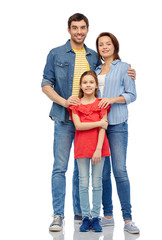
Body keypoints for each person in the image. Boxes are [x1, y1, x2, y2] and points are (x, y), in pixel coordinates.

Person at [41, 13, 136, 232]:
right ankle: (58, 215)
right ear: (69, 30)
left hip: (93, 120)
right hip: (66, 117)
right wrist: (65, 102)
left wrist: (129, 72)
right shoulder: (55, 53)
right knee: (60, 167)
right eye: (74, 28)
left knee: (82, 167)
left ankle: (82, 213)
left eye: (83, 27)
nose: (79, 31)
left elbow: (109, 74)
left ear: (87, 29)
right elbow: (46, 84)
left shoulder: (94, 56)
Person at [94, 32, 140, 234]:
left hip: (118, 123)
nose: (104, 47)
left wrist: (111, 100)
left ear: (114, 46)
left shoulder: (124, 68)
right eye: (101, 44)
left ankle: (128, 218)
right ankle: (108, 216)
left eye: (108, 43)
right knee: (103, 172)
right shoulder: (94, 70)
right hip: (98, 125)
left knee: (120, 170)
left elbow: (132, 95)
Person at [68, 70, 111, 232]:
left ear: (96, 85)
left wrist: (98, 149)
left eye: (91, 82)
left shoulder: (102, 103)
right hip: (82, 147)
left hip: (99, 148)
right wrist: (99, 122)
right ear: (80, 85)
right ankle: (86, 217)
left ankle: (95, 217)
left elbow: (104, 127)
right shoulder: (75, 105)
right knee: (84, 183)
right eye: (85, 82)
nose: (88, 85)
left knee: (97, 183)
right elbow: (78, 126)